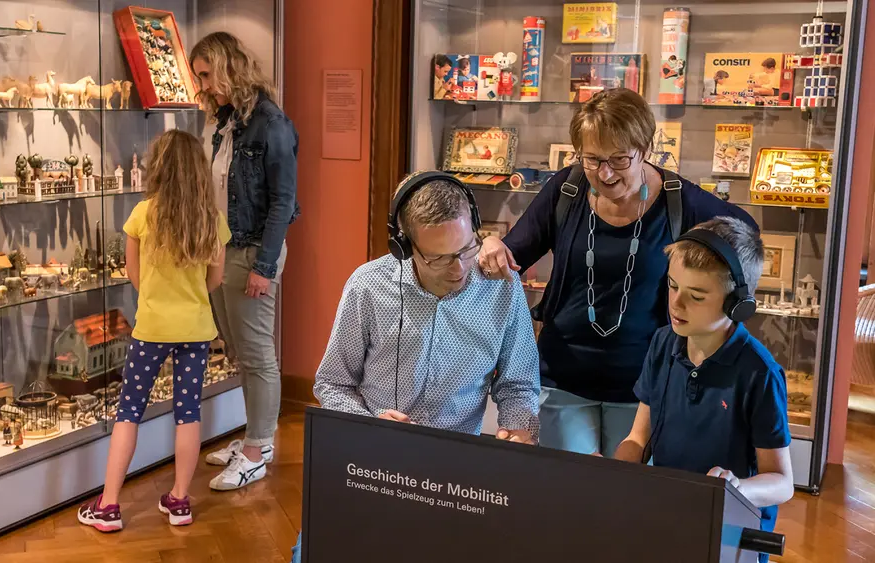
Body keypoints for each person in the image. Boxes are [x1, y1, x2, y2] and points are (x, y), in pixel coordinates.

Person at [478, 88, 756, 458]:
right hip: (562, 378)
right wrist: (490, 245)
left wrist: (716, 304)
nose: (604, 173)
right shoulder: (567, 189)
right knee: (570, 488)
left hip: (645, 386)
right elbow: (512, 254)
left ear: (646, 149)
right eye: (592, 159)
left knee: (629, 490)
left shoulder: (680, 202)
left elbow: (745, 234)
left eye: (619, 159)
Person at [291, 171, 542, 562]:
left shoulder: (502, 289)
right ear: (404, 246)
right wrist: (370, 423)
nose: (459, 269)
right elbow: (332, 384)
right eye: (439, 258)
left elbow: (518, 385)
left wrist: (520, 429)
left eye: (466, 249)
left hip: (457, 478)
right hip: (372, 463)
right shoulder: (367, 286)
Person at [77, 130, 230, 532]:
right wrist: (189, 297)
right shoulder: (212, 220)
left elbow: (134, 275)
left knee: (129, 411)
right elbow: (216, 280)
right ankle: (180, 500)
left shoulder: (143, 214)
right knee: (188, 412)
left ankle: (109, 505)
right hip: (196, 329)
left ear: (158, 168)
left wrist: (158, 298)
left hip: (152, 329)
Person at [615, 217, 793, 561]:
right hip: (669, 519)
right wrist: (614, 472)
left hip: (729, 534)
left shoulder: (760, 374)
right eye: (672, 286)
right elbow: (638, 438)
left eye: (696, 296)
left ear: (737, 304)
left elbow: (782, 482)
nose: (676, 303)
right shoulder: (663, 343)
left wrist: (736, 488)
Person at [190, 32, 300, 491]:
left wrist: (264, 267)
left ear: (227, 67)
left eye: (206, 75)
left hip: (252, 251)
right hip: (222, 250)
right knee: (237, 351)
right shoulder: (226, 121)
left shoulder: (271, 124)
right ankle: (256, 438)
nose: (203, 86)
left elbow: (284, 203)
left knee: (256, 355)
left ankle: (257, 449)